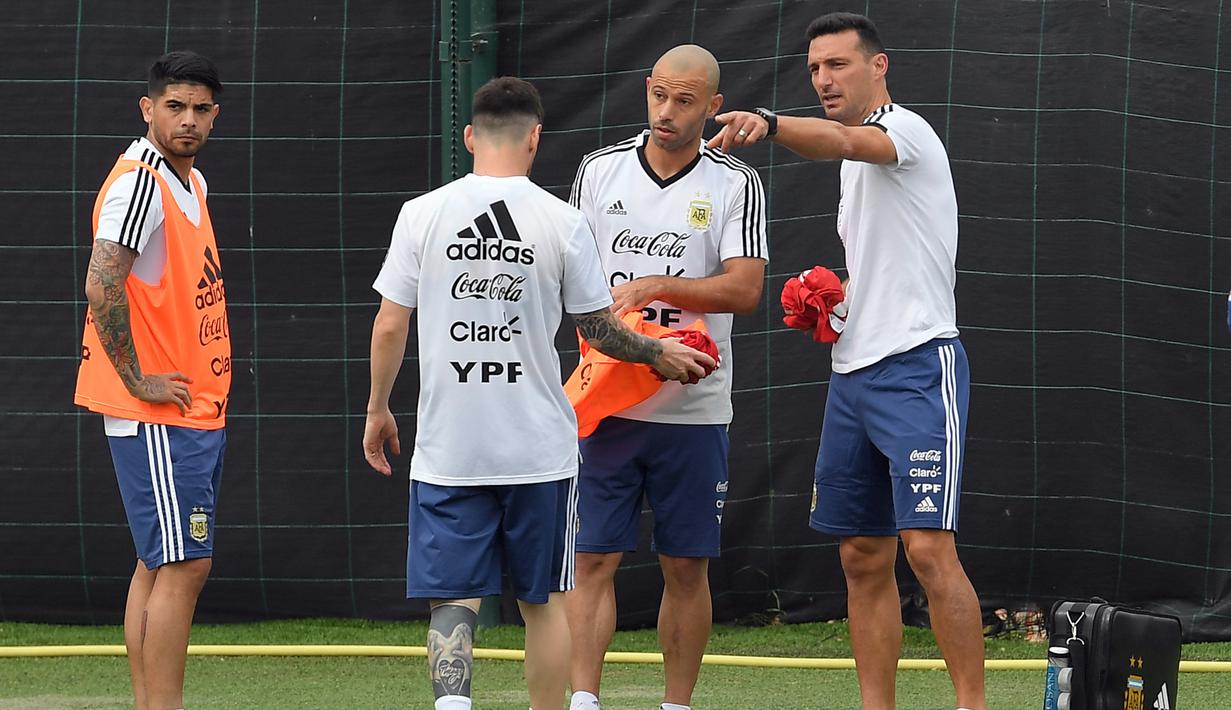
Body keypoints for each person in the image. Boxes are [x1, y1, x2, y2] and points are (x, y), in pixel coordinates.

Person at [362, 76, 715, 710]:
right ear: (535, 138)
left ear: (471, 136)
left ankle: (453, 705)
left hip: (451, 447)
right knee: (545, 601)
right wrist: (659, 350)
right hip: (539, 452)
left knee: (454, 600)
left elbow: (390, 322)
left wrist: (378, 408)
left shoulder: (422, 213)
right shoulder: (562, 219)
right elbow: (599, 329)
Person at [709, 12, 986, 710]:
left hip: (920, 365)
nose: (824, 79)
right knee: (861, 557)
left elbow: (838, 139)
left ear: (878, 65)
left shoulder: (906, 129)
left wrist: (768, 122)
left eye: (836, 64)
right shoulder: (861, 164)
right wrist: (836, 301)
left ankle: (971, 705)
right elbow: (892, 257)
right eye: (814, 69)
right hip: (852, 376)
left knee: (926, 550)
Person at [566, 45, 768, 710]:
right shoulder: (599, 171)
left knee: (685, 565)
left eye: (685, 102)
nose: (667, 112)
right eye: (659, 96)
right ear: (647, 89)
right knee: (591, 560)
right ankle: (583, 700)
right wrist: (621, 344)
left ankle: (675, 705)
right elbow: (572, 282)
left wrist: (657, 284)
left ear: (712, 106)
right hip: (607, 404)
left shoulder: (734, 182)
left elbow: (744, 290)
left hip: (694, 408)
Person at [74, 51, 228, 710]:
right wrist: (137, 377)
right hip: (159, 414)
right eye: (174, 106)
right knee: (185, 564)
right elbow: (101, 279)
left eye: (199, 109)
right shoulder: (142, 181)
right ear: (148, 108)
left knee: (159, 560)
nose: (187, 120)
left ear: (214, 114)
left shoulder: (189, 182)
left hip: (192, 408)